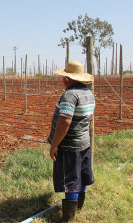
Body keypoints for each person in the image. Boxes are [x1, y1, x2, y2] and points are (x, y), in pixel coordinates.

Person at [47, 61, 95, 222]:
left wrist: (54, 144)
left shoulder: (70, 95)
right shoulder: (88, 93)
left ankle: (68, 217)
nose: (62, 79)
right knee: (82, 174)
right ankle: (78, 207)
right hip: (84, 143)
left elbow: (64, 122)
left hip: (69, 145)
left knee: (71, 178)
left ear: (68, 79)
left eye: (64, 76)